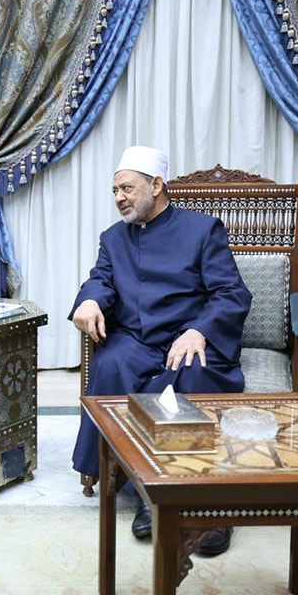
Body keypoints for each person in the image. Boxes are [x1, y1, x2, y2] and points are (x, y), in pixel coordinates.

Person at [69, 146, 251, 556]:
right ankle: (144, 489)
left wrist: (200, 331)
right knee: (111, 364)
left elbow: (231, 292)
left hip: (186, 337)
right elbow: (101, 279)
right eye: (115, 190)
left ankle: (206, 501)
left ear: (156, 185)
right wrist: (90, 300)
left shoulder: (202, 230)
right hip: (136, 340)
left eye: (127, 188)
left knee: (192, 373)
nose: (119, 197)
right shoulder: (113, 238)